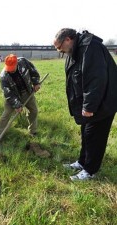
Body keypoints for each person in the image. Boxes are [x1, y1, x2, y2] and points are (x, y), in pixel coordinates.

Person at [53, 28, 117, 181]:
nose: (59, 50)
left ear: (68, 39)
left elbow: (96, 80)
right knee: (86, 134)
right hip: (91, 103)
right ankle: (82, 162)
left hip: (103, 102)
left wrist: (89, 106)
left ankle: (90, 170)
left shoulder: (90, 48)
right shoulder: (74, 50)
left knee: (95, 136)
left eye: (59, 46)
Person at [0, 54, 41, 142]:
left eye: (12, 68)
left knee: (34, 111)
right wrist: (17, 105)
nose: (10, 70)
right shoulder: (4, 76)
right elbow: (8, 93)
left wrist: (36, 83)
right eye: (8, 68)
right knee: (6, 114)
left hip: (27, 92)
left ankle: (33, 131)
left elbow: (33, 71)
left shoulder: (23, 62)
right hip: (13, 96)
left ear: (16, 63)